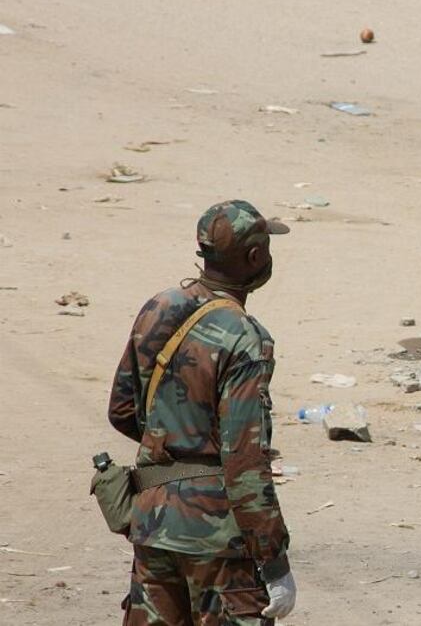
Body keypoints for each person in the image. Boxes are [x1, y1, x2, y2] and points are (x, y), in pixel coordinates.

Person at [108, 200, 296, 625]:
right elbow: (244, 461)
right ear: (255, 257)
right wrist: (274, 560)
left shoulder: (159, 306)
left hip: (152, 523)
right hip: (216, 540)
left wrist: (175, 442)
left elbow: (122, 410)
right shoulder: (247, 338)